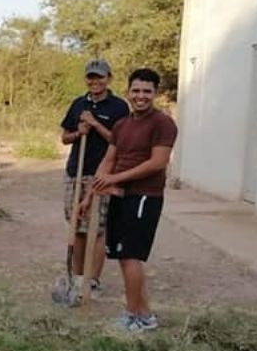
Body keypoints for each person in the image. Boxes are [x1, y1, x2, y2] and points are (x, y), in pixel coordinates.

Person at [84, 67, 177, 332]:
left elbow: (157, 163)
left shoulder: (162, 123)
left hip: (144, 196)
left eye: (147, 91)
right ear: (128, 91)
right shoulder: (122, 124)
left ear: (155, 93)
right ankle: (144, 315)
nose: (140, 96)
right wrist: (92, 192)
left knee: (131, 257)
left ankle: (132, 315)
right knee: (125, 258)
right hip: (120, 196)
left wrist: (115, 179)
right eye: (136, 90)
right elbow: (109, 160)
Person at [59, 59, 130, 297]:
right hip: (75, 172)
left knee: (97, 228)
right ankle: (78, 279)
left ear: (109, 78)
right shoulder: (78, 104)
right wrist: (79, 131)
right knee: (77, 225)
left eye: (99, 77)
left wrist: (95, 124)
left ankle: (94, 280)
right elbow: (65, 138)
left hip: (102, 173)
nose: (95, 81)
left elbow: (119, 141)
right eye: (90, 77)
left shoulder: (119, 107)